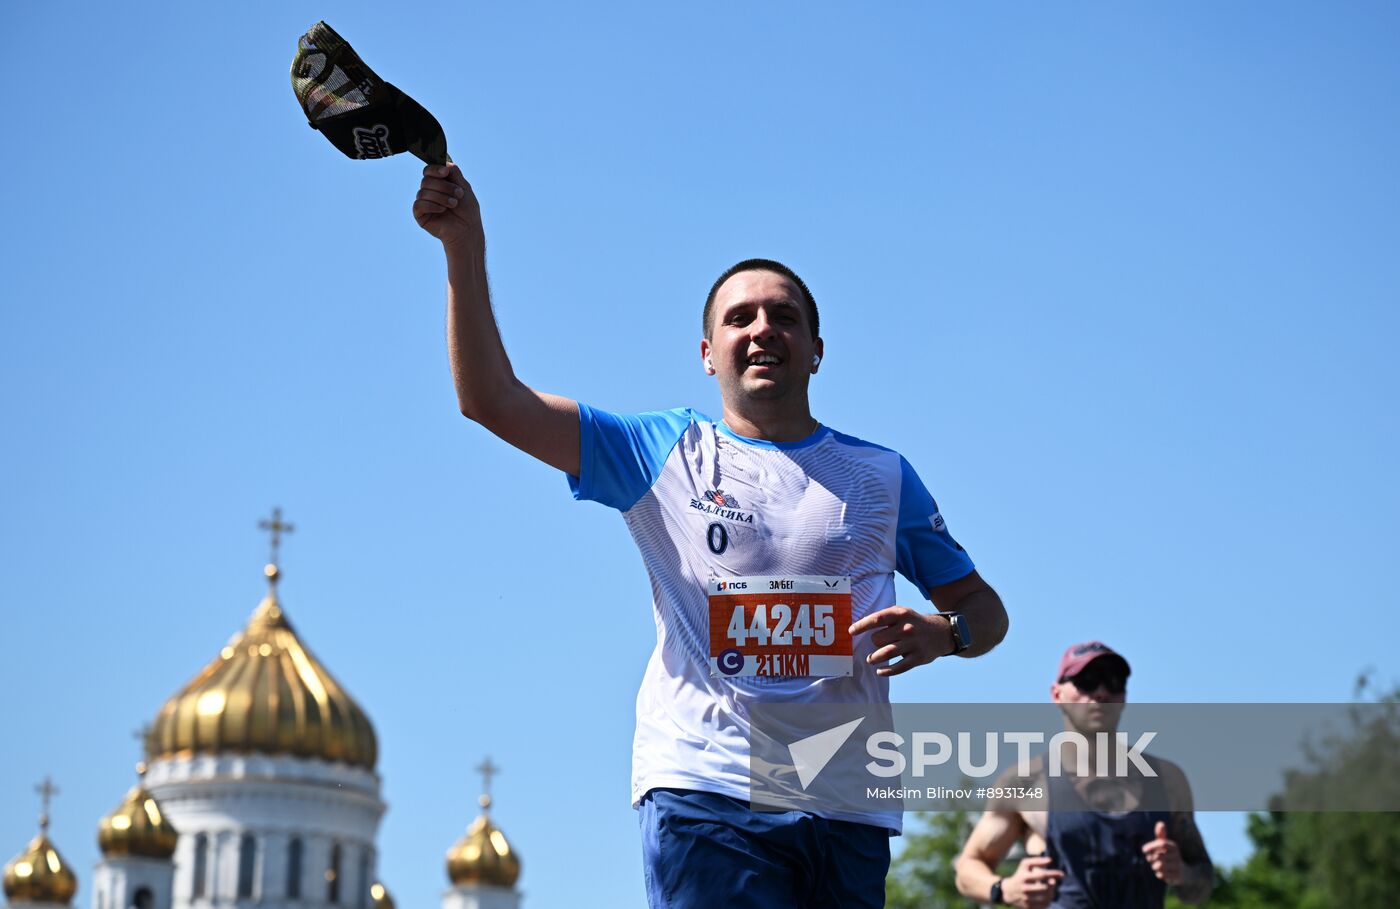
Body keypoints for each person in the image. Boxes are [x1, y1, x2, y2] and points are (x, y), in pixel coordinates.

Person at [412, 163, 1009, 908]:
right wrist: (462, 250)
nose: (763, 329)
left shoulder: (882, 477)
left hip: (844, 801)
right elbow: (491, 399)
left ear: (817, 347)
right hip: (707, 787)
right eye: (740, 317)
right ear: (706, 353)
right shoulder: (659, 452)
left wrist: (945, 632)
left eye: (783, 316)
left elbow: (988, 613)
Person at [954, 641, 1214, 908]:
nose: (1101, 692)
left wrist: (1181, 871)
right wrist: (1005, 888)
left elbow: (1202, 885)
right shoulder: (1024, 783)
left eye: (1113, 681)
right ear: (1056, 694)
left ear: (1124, 696)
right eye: (1086, 681)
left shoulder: (1167, 781)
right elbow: (967, 868)